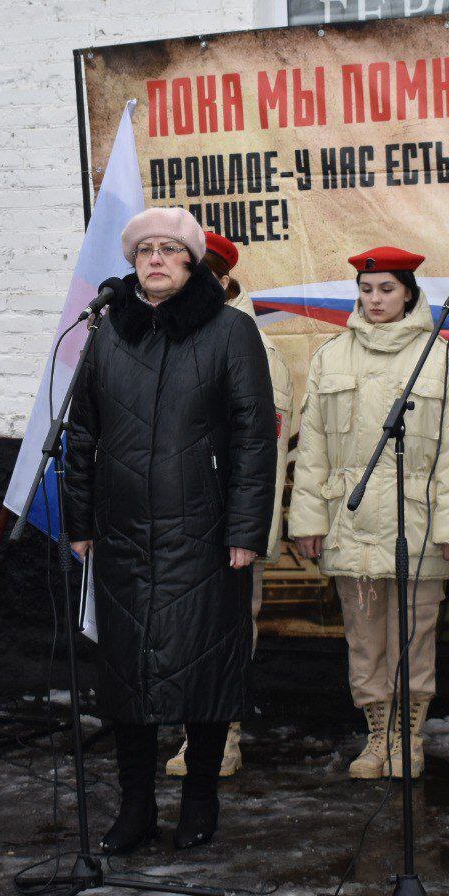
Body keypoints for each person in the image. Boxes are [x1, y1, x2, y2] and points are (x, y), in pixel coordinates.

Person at [64, 207, 277, 853]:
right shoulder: (106, 333)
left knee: (204, 670)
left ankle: (200, 797)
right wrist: (80, 522)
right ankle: (133, 809)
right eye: (144, 250)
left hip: (205, 532)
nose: (155, 259)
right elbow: (81, 431)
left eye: (169, 249)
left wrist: (245, 529)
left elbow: (252, 438)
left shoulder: (230, 331)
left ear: (191, 262)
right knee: (126, 675)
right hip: (124, 532)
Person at [289, 246, 448, 780]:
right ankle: (377, 738)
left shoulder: (440, 357)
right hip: (352, 521)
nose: (375, 299)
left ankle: (410, 737)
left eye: (386, 289)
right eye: (366, 289)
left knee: (415, 633)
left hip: (419, 522)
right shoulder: (330, 357)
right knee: (364, 637)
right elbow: (310, 449)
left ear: (408, 292)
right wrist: (308, 519)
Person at [166, 232, 294, 780]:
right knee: (178, 631)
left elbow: (265, 451)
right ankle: (191, 732)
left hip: (228, 525)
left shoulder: (254, 348)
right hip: (173, 520)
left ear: (220, 281)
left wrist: (246, 528)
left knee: (228, 631)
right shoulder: (162, 337)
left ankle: (222, 738)